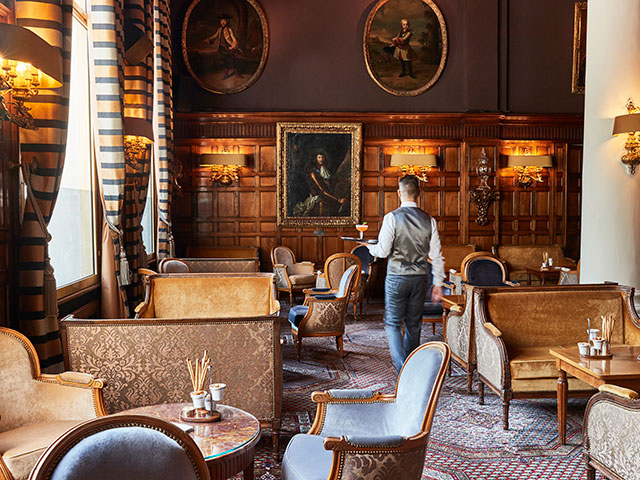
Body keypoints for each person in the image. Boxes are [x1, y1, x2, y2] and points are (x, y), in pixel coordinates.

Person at [360, 175, 444, 372]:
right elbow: (436, 255)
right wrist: (438, 283)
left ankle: (402, 368)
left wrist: (368, 246)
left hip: (397, 277)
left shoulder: (392, 218)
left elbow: (382, 252)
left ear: (399, 193)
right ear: (418, 193)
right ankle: (410, 367)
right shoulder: (429, 220)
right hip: (420, 278)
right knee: (414, 324)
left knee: (392, 324)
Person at [292, 151, 346, 217]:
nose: (321, 159)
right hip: (319, 197)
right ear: (315, 159)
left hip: (328, 195)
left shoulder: (325, 170)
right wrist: (338, 200)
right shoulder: (314, 174)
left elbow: (332, 182)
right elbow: (322, 191)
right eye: (319, 157)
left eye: (322, 157)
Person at [205, 13, 242, 79]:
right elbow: (215, 36)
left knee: (232, 60)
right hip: (221, 48)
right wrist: (208, 39)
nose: (223, 22)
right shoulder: (219, 29)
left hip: (228, 48)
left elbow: (234, 39)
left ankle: (237, 73)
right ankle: (225, 74)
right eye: (221, 20)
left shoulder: (230, 30)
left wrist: (232, 46)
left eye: (224, 20)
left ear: (228, 21)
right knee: (224, 61)